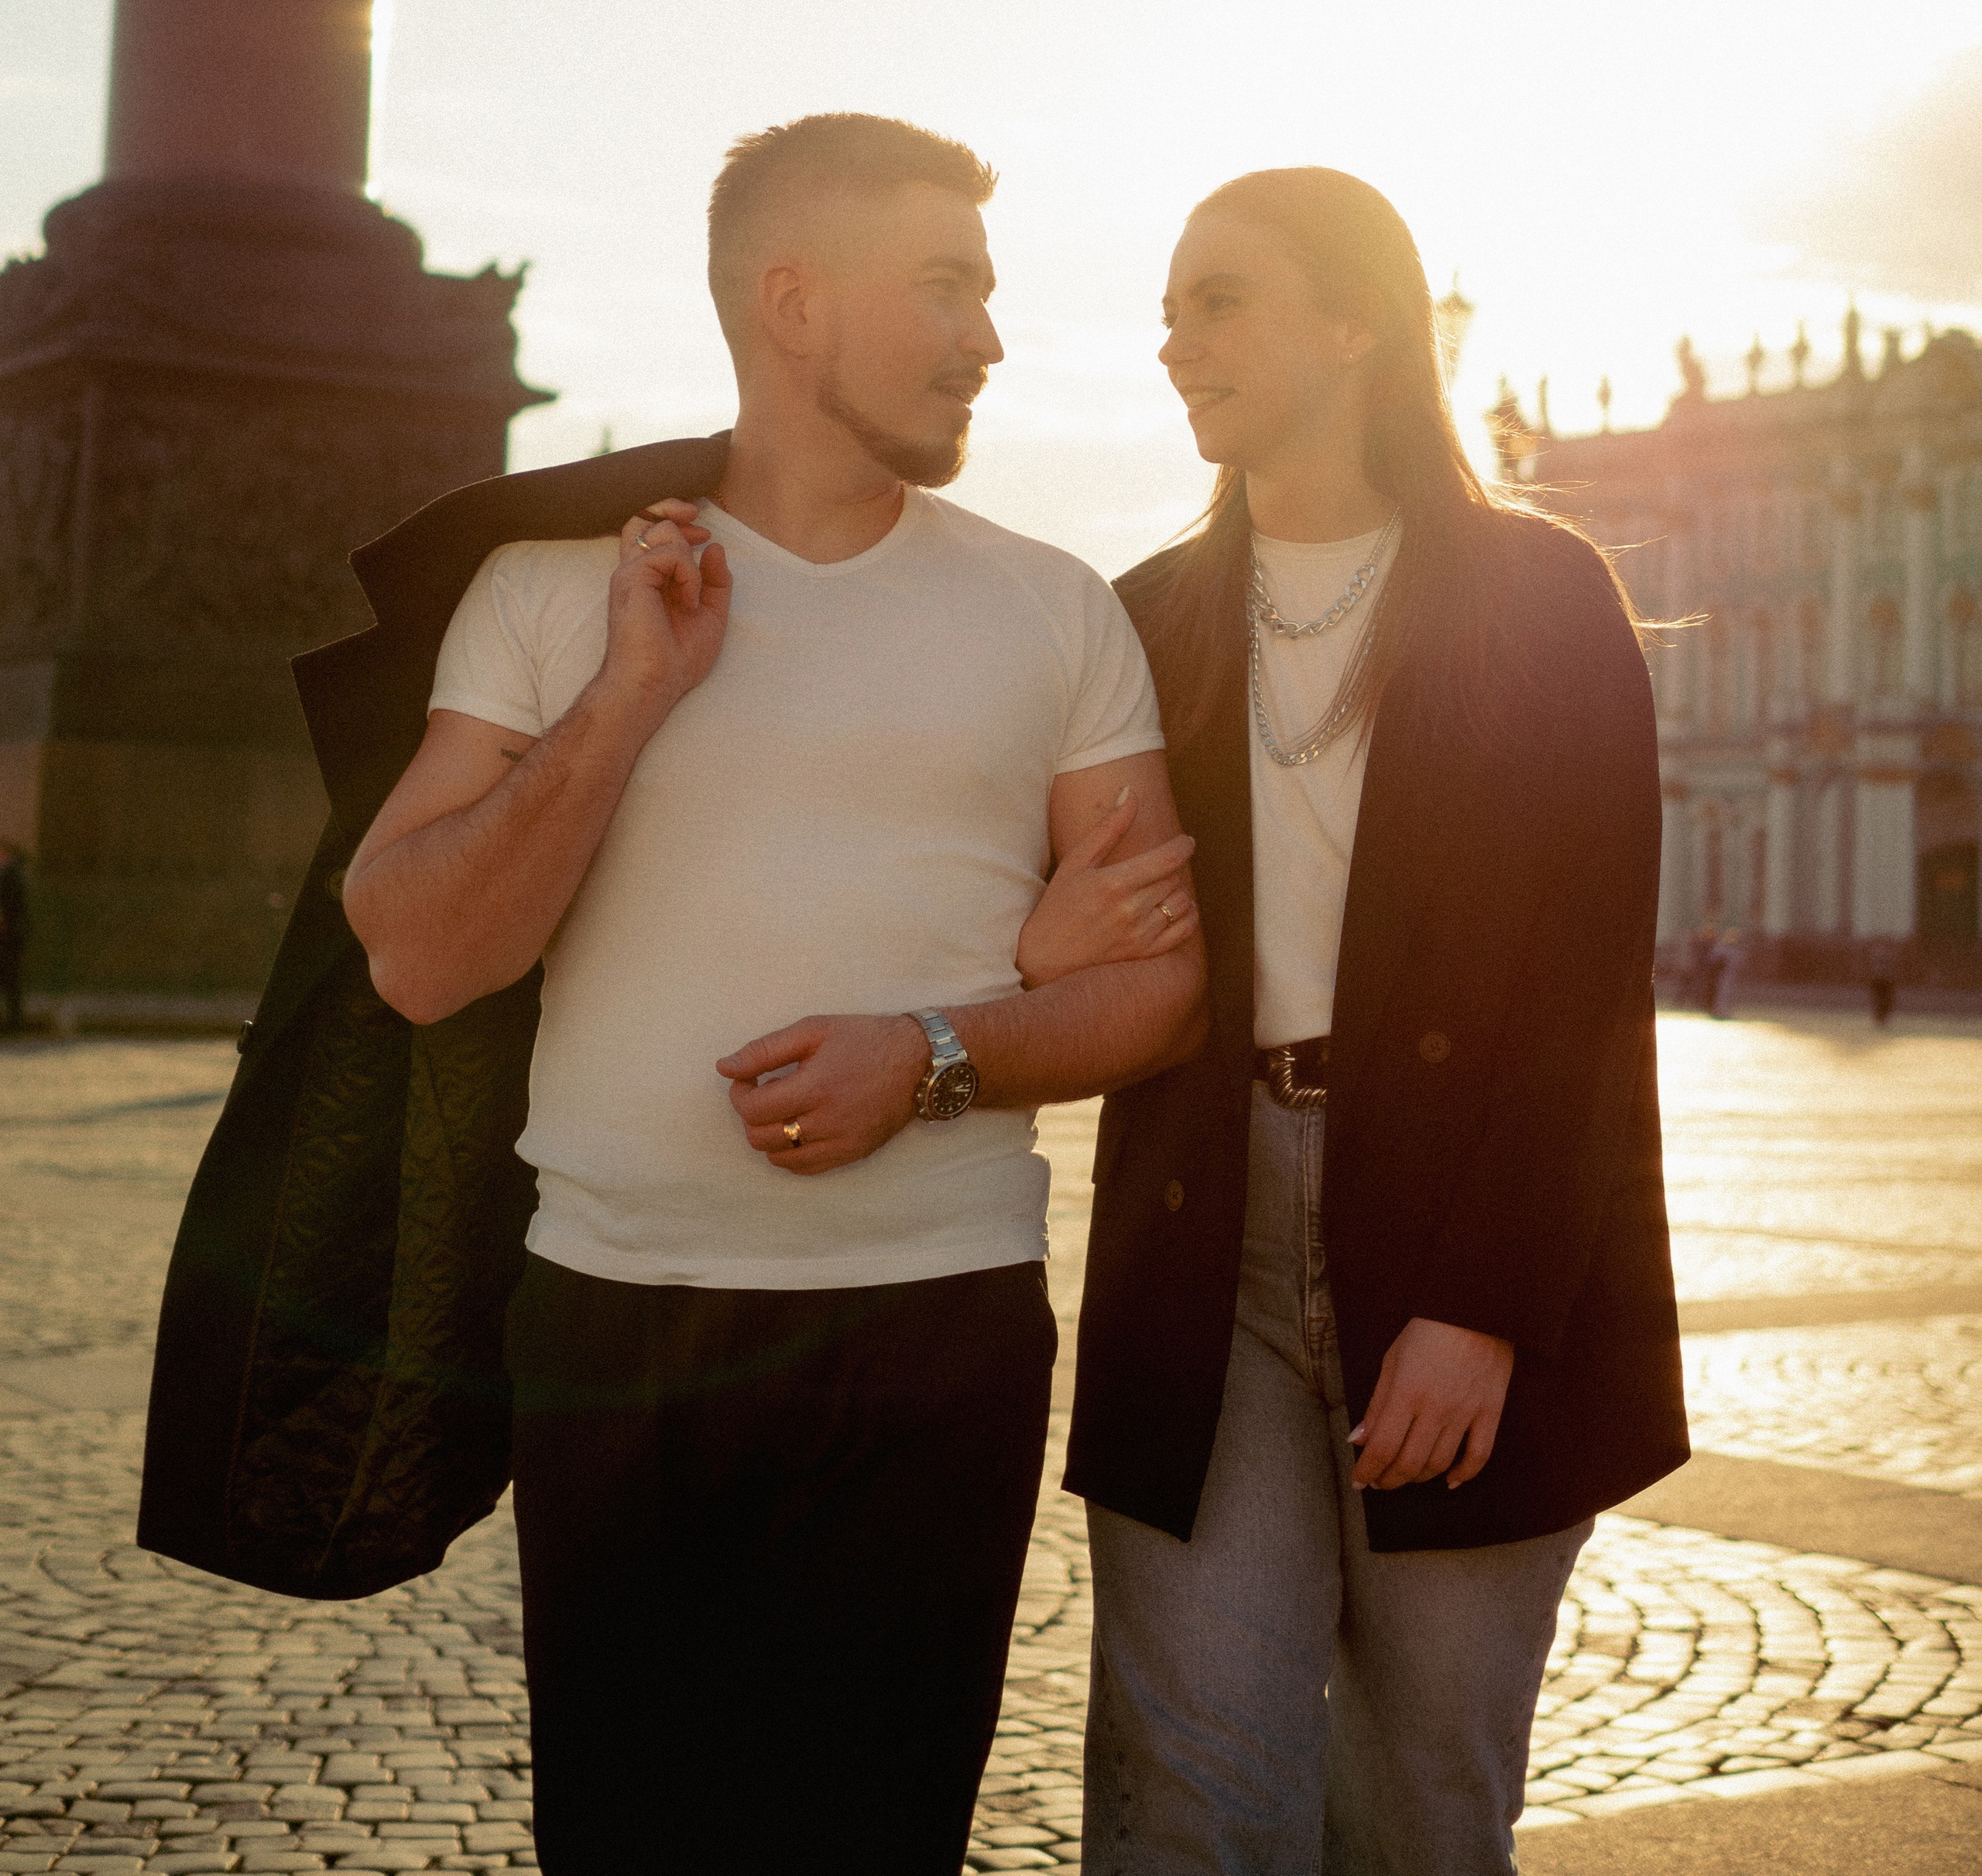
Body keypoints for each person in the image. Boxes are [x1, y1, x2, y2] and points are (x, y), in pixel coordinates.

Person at [335, 113, 1206, 1875]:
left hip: (931, 1322)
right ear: (789, 301)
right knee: (630, 1842)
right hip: (610, 1321)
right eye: (945, 286)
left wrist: (938, 1052)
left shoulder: (1051, 614)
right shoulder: (556, 596)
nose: (988, 335)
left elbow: (1154, 986)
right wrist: (629, 697)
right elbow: (420, 946)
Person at [1018, 168, 1686, 1874]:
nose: (1174, 340)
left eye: (1216, 298)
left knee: (1421, 1800)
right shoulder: (1145, 614)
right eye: (1167, 305)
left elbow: (1583, 990)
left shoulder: (1539, 596)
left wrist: (1477, 1302)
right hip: (1202, 1234)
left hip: (1469, 1233)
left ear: (1354, 320)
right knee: (1187, 1792)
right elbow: (1058, 916)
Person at [0, 841, 26, 1036]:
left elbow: (14, 905)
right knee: (10, 979)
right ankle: (13, 1022)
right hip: (11, 934)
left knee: (11, 978)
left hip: (10, 935)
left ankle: (14, 1023)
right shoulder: (13, 873)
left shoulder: (12, 874)